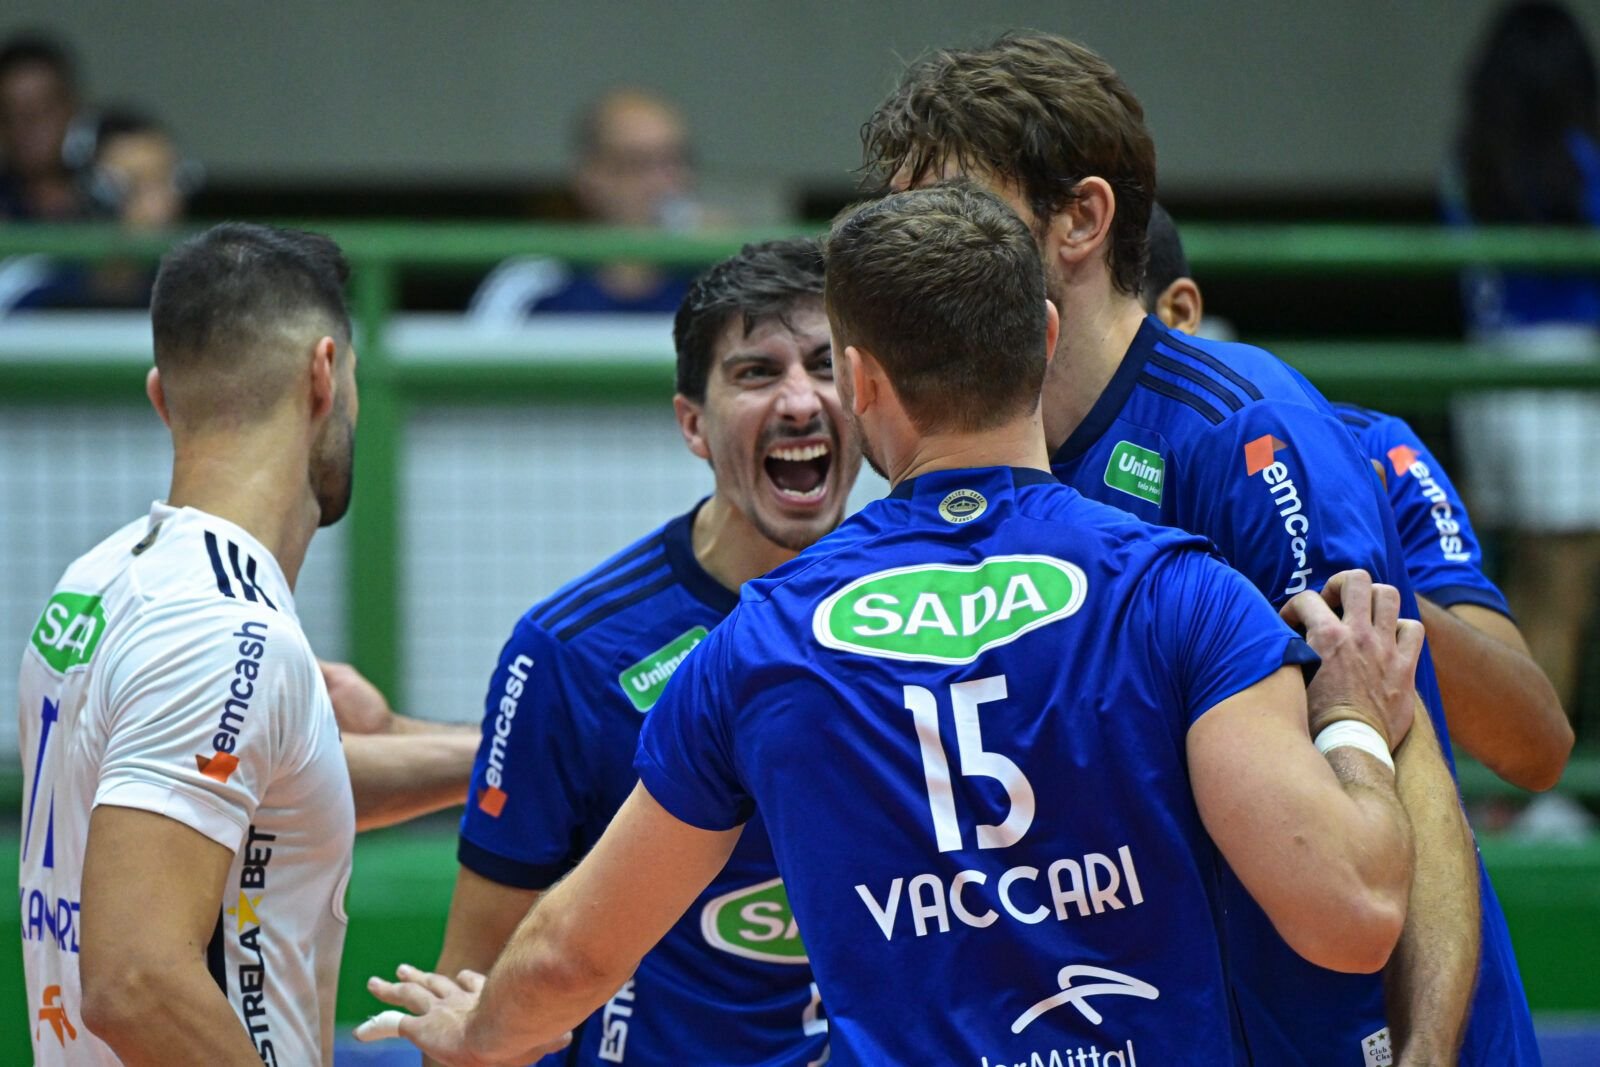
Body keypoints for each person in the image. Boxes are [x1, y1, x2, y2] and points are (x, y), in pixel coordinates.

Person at [356, 182, 1424, 1066]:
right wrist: (1355, 725)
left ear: (860, 379)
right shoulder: (1184, 592)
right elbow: (1350, 911)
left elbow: (565, 963)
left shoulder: (758, 641)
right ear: (1044, 338)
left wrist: (477, 1031)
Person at [859, 32, 1534, 1065]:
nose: (932, 248)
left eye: (958, 209)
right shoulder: (966, 454)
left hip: (1347, 1028)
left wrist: (1427, 1049)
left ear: (1080, 219)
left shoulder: (1244, 432)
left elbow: (1407, 758)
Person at [16, 222, 474, 1066]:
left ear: (162, 396)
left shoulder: (103, 576)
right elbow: (135, 981)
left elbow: (246, 803)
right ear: (324, 374)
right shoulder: (224, 628)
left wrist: (501, 752)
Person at [415, 237, 856, 1064]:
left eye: (826, 365)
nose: (800, 400)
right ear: (693, 421)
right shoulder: (569, 653)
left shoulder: (925, 612)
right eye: (757, 371)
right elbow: (469, 996)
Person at [1142, 201, 1573, 791]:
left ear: (1179, 311)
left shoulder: (1377, 448)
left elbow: (1537, 745)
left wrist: (1364, 571)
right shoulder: (1042, 475)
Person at [1447, 0, 1600, 725]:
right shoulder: (1581, 164)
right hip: (1560, 383)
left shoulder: (1470, 160)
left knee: (1500, 591)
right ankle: (1532, 792)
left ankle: (1510, 786)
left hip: (1488, 378)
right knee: (1558, 591)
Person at [468, 88, 701, 321]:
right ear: (590, 176)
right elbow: (476, 353)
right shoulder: (530, 283)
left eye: (675, 161)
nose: (662, 183)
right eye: (639, 163)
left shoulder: (716, 278)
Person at [0, 32, 82, 221]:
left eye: (45, 109)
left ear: (72, 108)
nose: (31, 125)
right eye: (13, 114)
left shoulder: (108, 193)